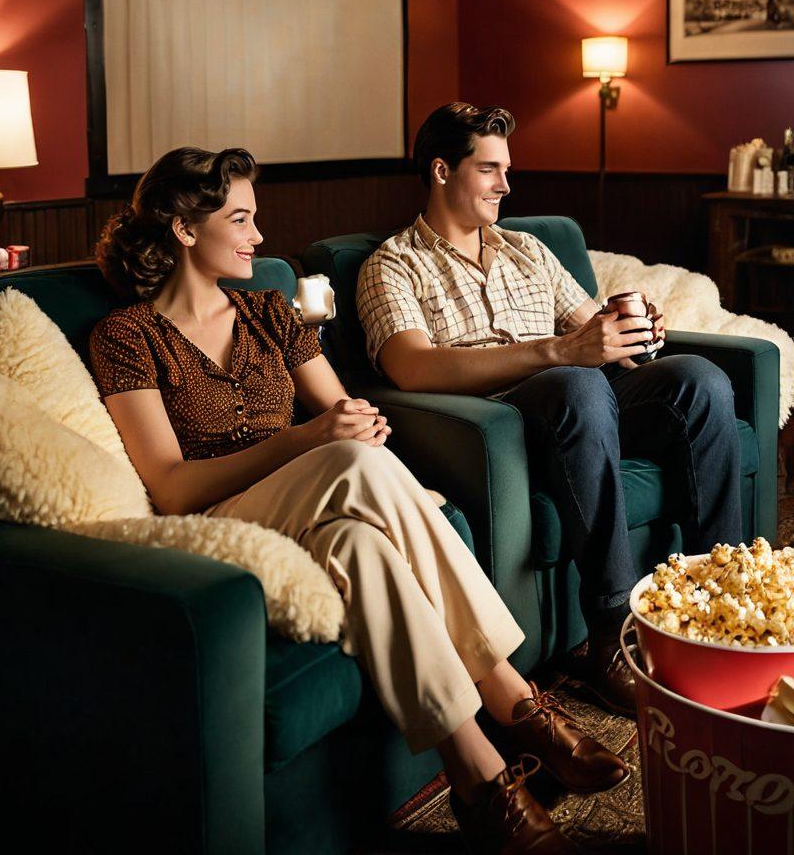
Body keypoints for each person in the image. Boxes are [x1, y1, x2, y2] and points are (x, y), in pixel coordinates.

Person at [89, 145, 629, 855]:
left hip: (320, 509)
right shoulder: (126, 336)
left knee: (362, 544)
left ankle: (479, 778)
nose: (258, 237)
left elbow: (351, 414)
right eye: (241, 219)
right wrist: (312, 440)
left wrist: (353, 434)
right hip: (216, 521)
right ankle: (517, 699)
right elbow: (170, 484)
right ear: (186, 229)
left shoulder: (270, 313)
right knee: (347, 458)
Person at [356, 104, 743, 714]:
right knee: (576, 385)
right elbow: (412, 366)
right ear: (440, 171)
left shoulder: (526, 250)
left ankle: (717, 598)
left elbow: (590, 325)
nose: (506, 185)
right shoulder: (393, 265)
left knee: (700, 380)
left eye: (506, 169)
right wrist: (560, 351)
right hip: (500, 425)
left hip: (582, 405)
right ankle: (611, 635)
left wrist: (629, 329)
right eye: (489, 170)